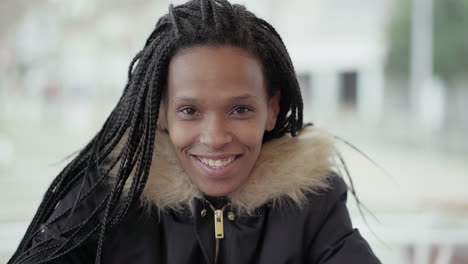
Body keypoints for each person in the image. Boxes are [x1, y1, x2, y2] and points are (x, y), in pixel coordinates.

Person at [9, 0, 381, 263]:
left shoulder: (312, 202)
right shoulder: (104, 194)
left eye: (240, 109)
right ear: (160, 112)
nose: (216, 136)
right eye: (189, 110)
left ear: (272, 109)